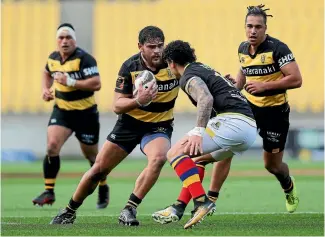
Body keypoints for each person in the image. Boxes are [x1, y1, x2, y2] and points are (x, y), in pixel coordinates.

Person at [50, 26, 178, 226]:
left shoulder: (173, 62)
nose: (157, 51)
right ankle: (69, 210)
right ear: (140, 47)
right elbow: (117, 106)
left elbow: (193, 81)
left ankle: (129, 209)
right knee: (98, 170)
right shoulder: (130, 66)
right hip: (129, 123)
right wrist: (139, 100)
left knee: (159, 158)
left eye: (160, 46)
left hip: (158, 125)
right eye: (151, 46)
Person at [154, 40, 257, 229]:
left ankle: (202, 202)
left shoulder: (188, 76)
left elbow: (206, 98)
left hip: (232, 123)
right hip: (249, 129)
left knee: (174, 153)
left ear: (171, 63)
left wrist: (198, 132)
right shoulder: (203, 67)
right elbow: (224, 95)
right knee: (199, 160)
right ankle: (178, 207)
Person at [32, 23, 109, 209]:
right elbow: (46, 71)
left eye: (68, 38)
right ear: (57, 40)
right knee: (52, 146)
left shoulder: (85, 59)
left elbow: (96, 84)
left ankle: (103, 186)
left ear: (74, 40)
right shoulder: (53, 58)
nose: (64, 41)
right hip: (62, 111)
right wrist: (45, 89)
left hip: (86, 114)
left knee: (92, 157)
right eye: (61, 37)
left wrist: (70, 81)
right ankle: (49, 191)